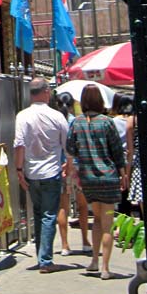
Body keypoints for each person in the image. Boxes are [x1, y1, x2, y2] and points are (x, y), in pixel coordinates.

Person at [66, 83, 128, 279]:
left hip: (88, 178)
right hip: (108, 176)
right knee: (108, 224)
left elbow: (70, 148)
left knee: (97, 220)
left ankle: (94, 260)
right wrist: (123, 173)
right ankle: (105, 268)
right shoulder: (107, 122)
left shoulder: (76, 123)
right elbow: (117, 150)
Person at [14, 77, 71, 273]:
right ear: (46, 92)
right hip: (51, 172)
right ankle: (45, 260)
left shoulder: (22, 116)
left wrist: (19, 170)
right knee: (48, 215)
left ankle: (42, 255)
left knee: (38, 214)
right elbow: (68, 145)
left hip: (31, 172)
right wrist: (69, 164)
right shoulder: (57, 116)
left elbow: (19, 144)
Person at [54, 92, 92, 256]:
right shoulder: (77, 122)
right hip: (79, 166)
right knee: (82, 206)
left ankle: (65, 245)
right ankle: (85, 241)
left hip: (61, 167)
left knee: (63, 207)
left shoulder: (55, 121)